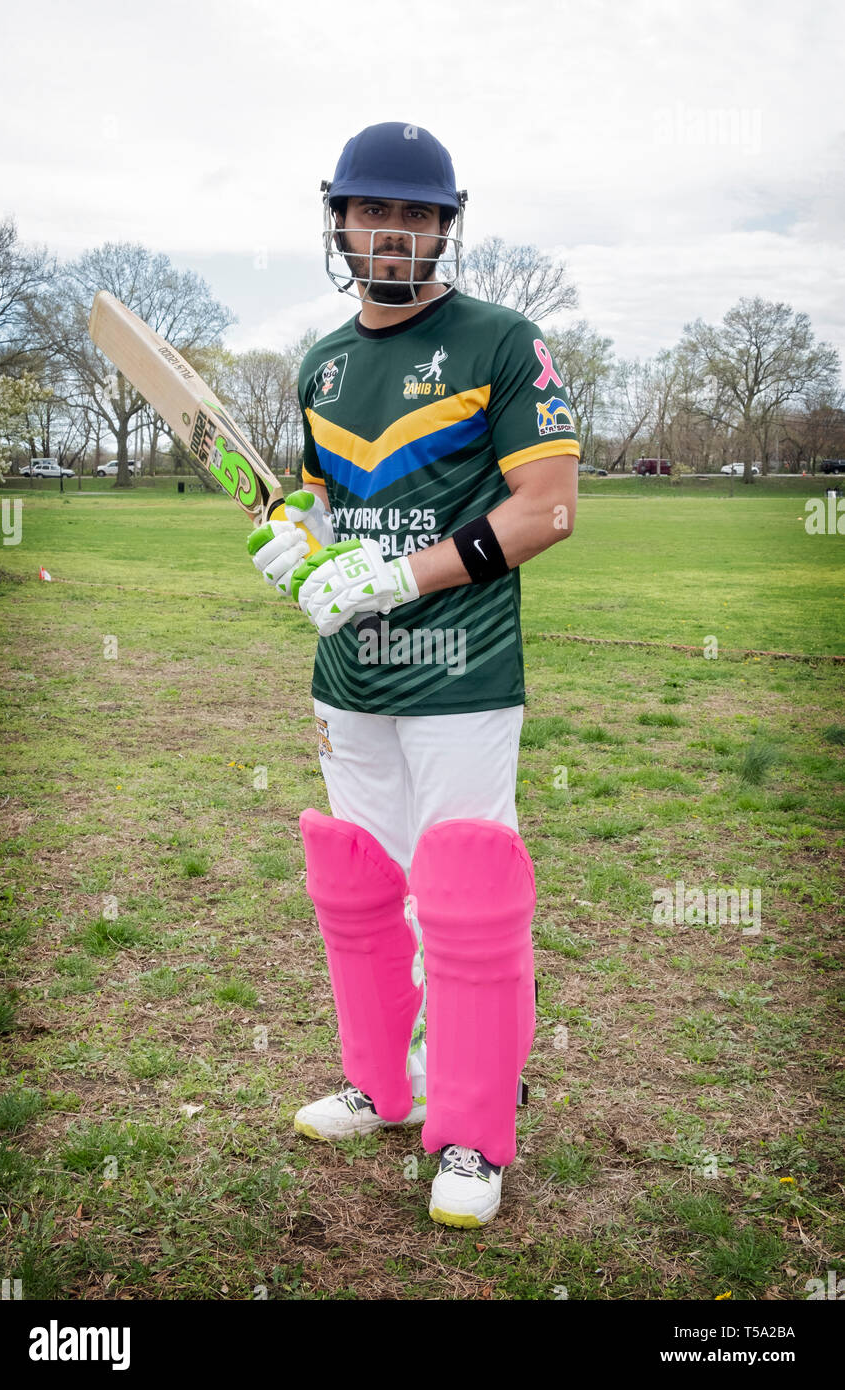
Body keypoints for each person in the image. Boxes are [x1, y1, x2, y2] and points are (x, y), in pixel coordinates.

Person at [247, 122, 579, 1228]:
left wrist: (398, 578)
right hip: (348, 679)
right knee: (359, 889)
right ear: (338, 220)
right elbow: (323, 509)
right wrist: (299, 539)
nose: (392, 231)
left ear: (444, 226)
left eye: (416, 214)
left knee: (464, 899)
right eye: (372, 211)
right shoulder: (319, 362)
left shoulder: (499, 340)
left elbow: (546, 508)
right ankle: (382, 1087)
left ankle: (474, 1132)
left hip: (462, 673)